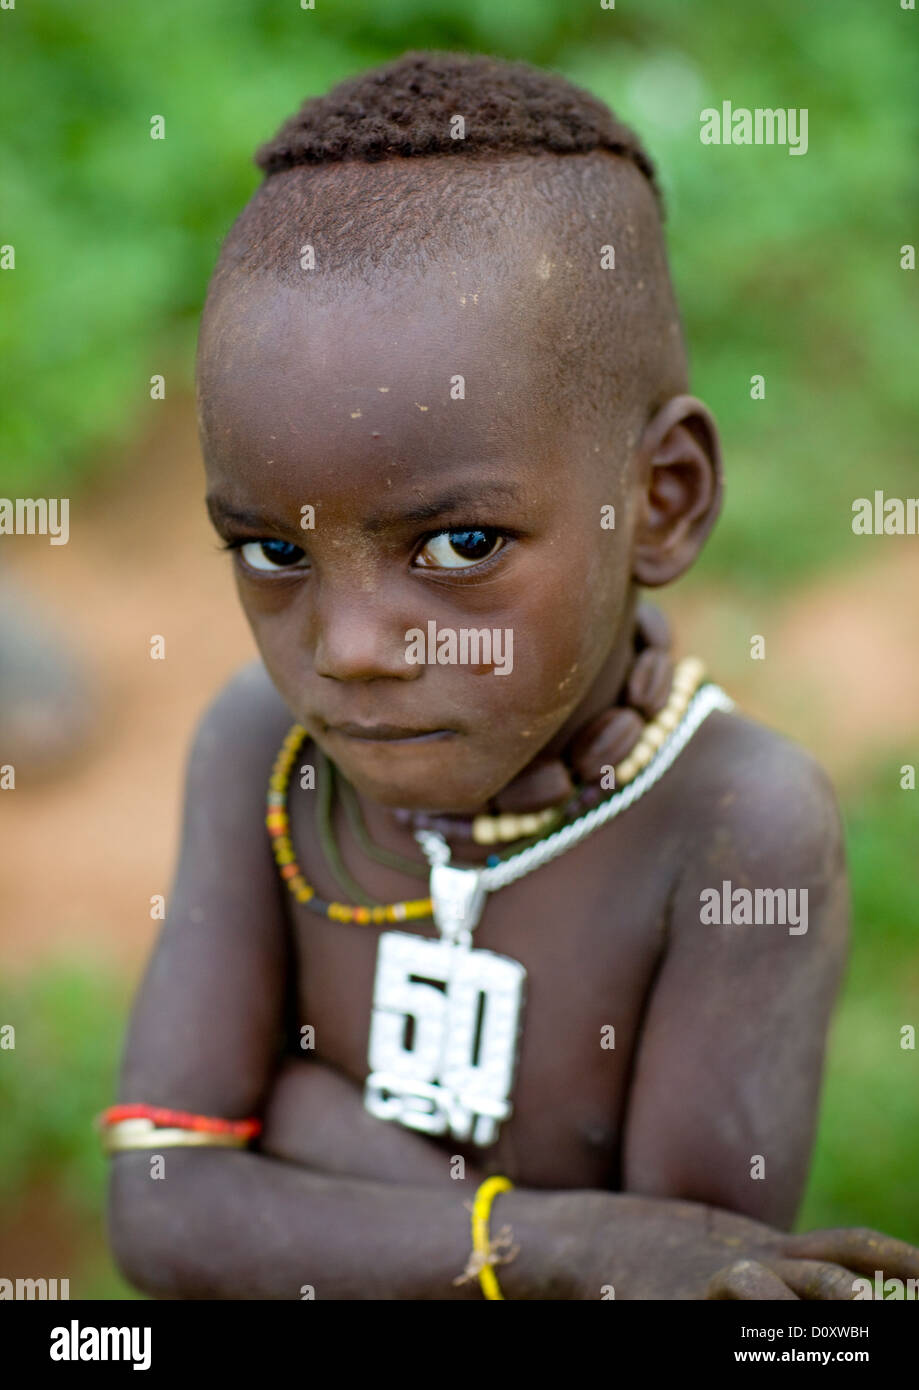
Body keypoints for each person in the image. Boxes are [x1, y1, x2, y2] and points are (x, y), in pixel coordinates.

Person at [104, 51, 919, 1299]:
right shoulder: (262, 748)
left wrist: (307, 1129)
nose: (351, 647)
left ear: (661, 501)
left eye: (461, 544)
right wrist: (560, 1236)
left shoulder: (736, 830)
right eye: (274, 550)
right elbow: (161, 1209)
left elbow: (698, 1283)